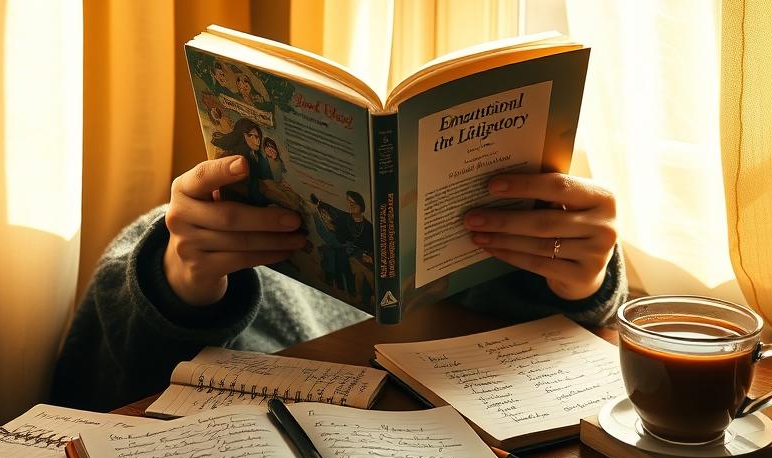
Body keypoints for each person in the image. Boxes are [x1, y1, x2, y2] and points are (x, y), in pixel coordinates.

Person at [51, 156, 626, 411]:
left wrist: (581, 279)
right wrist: (181, 281)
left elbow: (509, 314)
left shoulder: (454, 269)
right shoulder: (165, 244)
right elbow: (114, 388)